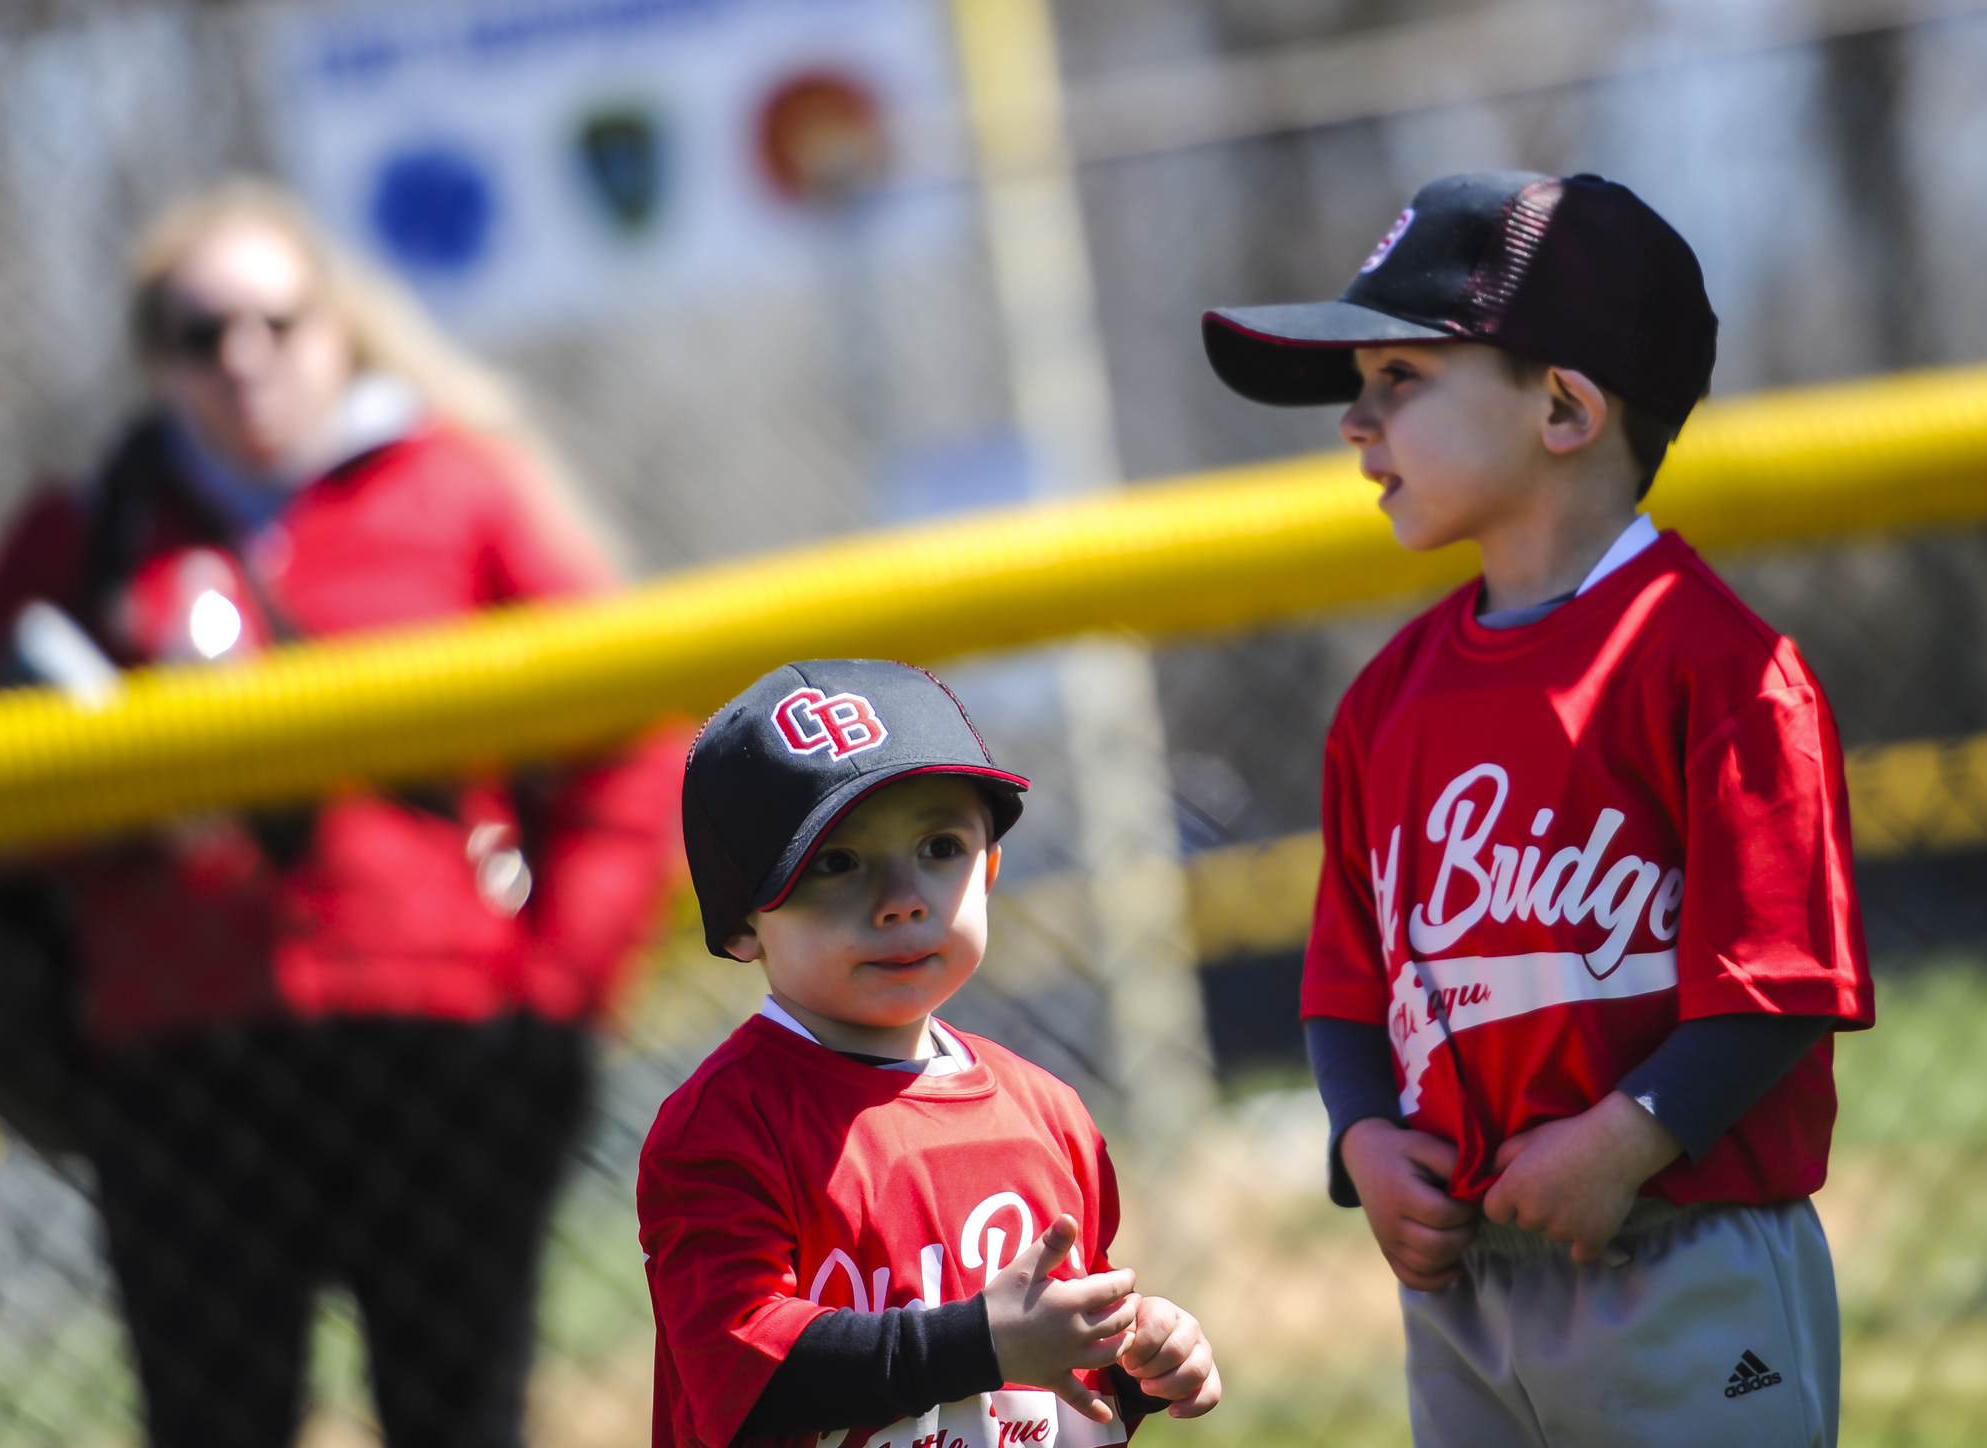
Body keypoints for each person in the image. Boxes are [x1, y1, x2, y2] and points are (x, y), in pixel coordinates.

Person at [0, 179, 685, 1448]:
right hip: (183, 1062)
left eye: (279, 321)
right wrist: (117, 809)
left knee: (460, 1415)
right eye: (199, 331)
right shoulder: (85, 531)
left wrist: (561, 981)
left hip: (446, 1047)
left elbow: (630, 741)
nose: (246, 358)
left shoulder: (456, 488)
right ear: (154, 360)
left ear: (338, 328)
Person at [1202, 172, 1875, 1447]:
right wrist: (1360, 1140)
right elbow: (1348, 987)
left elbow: (1781, 979)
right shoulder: (1381, 704)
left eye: (1400, 378)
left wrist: (1627, 1140)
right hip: (1463, 1284)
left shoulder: (1717, 666)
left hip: (1677, 1244)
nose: (1355, 421)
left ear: (1563, 406)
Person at [639, 660, 1221, 1448]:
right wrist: (981, 1343)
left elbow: (1058, 1381)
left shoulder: (1046, 1111)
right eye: (836, 863)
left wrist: (1135, 1358)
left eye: (940, 846)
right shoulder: (723, 1128)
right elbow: (745, 1377)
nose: (903, 898)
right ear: (742, 921)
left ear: (988, 870)